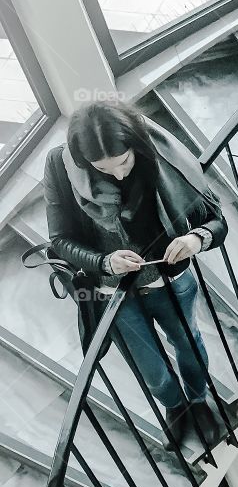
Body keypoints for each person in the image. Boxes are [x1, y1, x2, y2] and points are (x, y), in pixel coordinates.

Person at [44, 99, 228, 447]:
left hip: (171, 281)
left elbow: (216, 220)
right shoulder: (59, 165)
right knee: (152, 370)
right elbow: (59, 240)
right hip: (114, 293)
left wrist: (195, 238)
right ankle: (175, 407)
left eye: (124, 161)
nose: (118, 175)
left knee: (189, 346)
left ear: (135, 146)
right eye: (102, 169)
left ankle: (199, 400)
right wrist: (103, 262)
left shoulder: (158, 156)